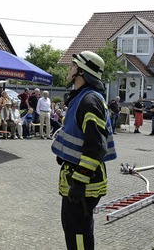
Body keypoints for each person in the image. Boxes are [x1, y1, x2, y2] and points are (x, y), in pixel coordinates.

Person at [51, 51, 117, 250]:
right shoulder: (82, 97)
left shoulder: (89, 101)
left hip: (83, 181)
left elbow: (96, 146)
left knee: (78, 233)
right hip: (77, 176)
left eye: (72, 65)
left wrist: (79, 181)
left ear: (82, 72)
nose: (69, 69)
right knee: (75, 229)